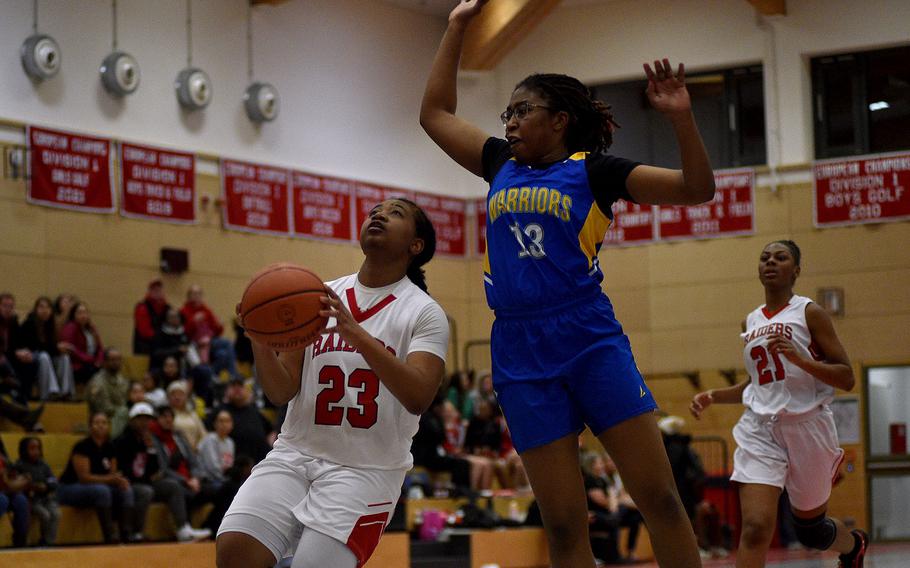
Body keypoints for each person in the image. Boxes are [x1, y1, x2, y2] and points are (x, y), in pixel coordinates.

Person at [420, 2, 714, 566]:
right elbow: (434, 112)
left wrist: (679, 117)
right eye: (506, 111)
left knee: (659, 498)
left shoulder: (596, 171)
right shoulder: (497, 163)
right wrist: (456, 26)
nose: (508, 121)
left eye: (522, 110)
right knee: (561, 523)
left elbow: (696, 189)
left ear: (558, 120)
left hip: (587, 336)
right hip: (519, 346)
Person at [216, 198, 449, 568]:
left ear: (415, 246)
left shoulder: (425, 313)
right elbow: (281, 391)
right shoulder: (316, 295)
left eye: (395, 213)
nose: (379, 214)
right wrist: (258, 340)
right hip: (294, 454)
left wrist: (356, 334)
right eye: (375, 210)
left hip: (366, 472)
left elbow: (419, 395)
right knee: (234, 554)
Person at [690, 240, 869, 568]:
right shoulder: (751, 321)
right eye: (764, 258)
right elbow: (759, 384)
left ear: (796, 270)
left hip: (807, 427)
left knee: (810, 530)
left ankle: (853, 544)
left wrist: (800, 359)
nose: (770, 262)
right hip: (761, 429)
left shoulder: (809, 312)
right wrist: (715, 395)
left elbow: (846, 377)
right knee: (756, 528)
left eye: (780, 257)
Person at [114, 402, 211, 543]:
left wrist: (151, 450)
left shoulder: (149, 441)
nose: (144, 423)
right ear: (132, 421)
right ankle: (136, 532)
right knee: (145, 491)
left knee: (172, 486)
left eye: (147, 419)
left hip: (147, 481)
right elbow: (124, 469)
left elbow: (155, 470)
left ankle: (182, 529)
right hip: (130, 483)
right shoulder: (122, 441)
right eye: (140, 419)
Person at [57, 411, 135, 543]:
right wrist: (111, 479)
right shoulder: (82, 446)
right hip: (70, 487)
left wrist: (119, 480)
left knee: (126, 489)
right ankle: (109, 535)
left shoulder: (110, 447)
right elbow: (84, 478)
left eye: (104, 423)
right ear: (90, 426)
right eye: (97, 423)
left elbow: (112, 474)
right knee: (102, 491)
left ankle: (126, 533)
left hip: (98, 487)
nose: (101, 426)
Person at [17, 296, 75, 400]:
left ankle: (65, 392)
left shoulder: (50, 325)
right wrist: (56, 348)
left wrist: (60, 349)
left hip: (46, 357)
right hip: (30, 358)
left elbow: (51, 347)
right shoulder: (29, 323)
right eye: (41, 307)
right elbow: (35, 346)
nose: (45, 310)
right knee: (44, 356)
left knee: (64, 357)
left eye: (48, 308)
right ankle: (50, 391)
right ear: (36, 309)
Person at [208, 377, 274, 465]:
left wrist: (271, 445)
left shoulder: (254, 411)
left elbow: (271, 431)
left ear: (247, 391)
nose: (237, 389)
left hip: (261, 462)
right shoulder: (219, 411)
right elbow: (209, 433)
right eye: (233, 386)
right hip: (235, 466)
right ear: (226, 391)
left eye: (240, 386)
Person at [181, 284, 241, 381]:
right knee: (227, 344)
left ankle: (212, 375)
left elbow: (216, 331)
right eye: (194, 293)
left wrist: (219, 326)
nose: (197, 296)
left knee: (222, 354)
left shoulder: (206, 310)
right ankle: (233, 375)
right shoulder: (184, 311)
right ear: (189, 296)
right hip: (195, 343)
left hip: (210, 341)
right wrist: (193, 321)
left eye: (199, 294)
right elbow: (184, 332)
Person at [16, 436, 60, 546]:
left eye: (38, 448)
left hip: (45, 498)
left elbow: (53, 480)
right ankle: (43, 542)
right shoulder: (19, 465)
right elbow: (20, 484)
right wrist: (34, 486)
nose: (36, 451)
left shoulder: (43, 464)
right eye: (32, 448)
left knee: (56, 513)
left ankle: (49, 542)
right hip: (31, 500)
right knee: (45, 515)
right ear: (24, 450)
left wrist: (46, 486)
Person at [87, 348, 131, 437]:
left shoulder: (123, 380)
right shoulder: (98, 382)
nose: (116, 363)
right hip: (104, 416)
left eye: (118, 359)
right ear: (105, 362)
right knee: (123, 412)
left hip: (121, 414)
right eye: (113, 360)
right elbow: (103, 407)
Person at [61, 302, 104, 387]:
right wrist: (91, 360)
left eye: (85, 312)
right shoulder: (70, 328)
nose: (83, 315)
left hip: (92, 363)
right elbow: (71, 349)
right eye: (80, 313)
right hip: (78, 365)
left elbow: (100, 347)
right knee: (93, 372)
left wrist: (99, 360)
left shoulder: (92, 328)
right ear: (73, 315)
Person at [0, 438, 30, 547]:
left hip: (4, 489)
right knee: (2, 500)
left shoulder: (3, 458)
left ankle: (20, 544)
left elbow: (10, 478)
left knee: (21, 500)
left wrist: (20, 480)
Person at [198, 409, 235, 488]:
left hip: (223, 479)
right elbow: (212, 467)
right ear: (215, 424)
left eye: (228, 421)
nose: (224, 424)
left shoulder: (230, 442)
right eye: (221, 421)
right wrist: (227, 480)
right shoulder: (210, 439)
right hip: (208, 480)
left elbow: (229, 464)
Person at [134, 280, 171, 356]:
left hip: (163, 348)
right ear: (149, 291)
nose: (157, 291)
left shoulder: (168, 308)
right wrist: (163, 337)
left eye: (159, 289)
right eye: (154, 289)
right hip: (145, 348)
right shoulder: (142, 307)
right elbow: (144, 331)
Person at [167, 380, 207, 450]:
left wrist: (198, 448)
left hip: (194, 454)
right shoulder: (166, 416)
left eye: (180, 394)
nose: (177, 397)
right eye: (173, 394)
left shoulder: (193, 415)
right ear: (168, 397)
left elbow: (204, 436)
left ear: (186, 397)